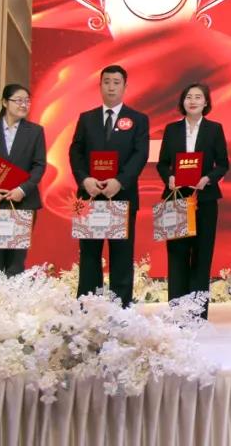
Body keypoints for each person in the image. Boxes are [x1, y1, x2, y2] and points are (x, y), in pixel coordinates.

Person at [68, 65, 150, 307]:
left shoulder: (138, 119)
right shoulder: (87, 118)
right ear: (100, 85)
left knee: (122, 255)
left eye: (116, 82)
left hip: (122, 196)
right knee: (89, 255)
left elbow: (140, 154)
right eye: (106, 82)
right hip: (90, 196)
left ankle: (120, 309)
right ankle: (88, 307)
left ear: (125, 86)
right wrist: (85, 179)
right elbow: (75, 152)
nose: (111, 87)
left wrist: (120, 181)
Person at [156, 83, 229, 318]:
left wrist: (208, 178)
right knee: (177, 254)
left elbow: (223, 164)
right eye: (189, 97)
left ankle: (198, 313)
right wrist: (169, 177)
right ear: (183, 102)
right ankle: (177, 312)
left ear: (206, 102)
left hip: (204, 199)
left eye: (198, 97)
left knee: (202, 254)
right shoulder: (172, 130)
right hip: (176, 199)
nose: (193, 101)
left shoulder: (214, 129)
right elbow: (162, 163)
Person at [0, 83, 47, 277]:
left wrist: (22, 189)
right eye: (18, 100)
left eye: (27, 101)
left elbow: (39, 165)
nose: (24, 104)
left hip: (22, 202)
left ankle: (13, 296)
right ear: (5, 102)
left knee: (16, 261)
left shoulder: (35, 131)